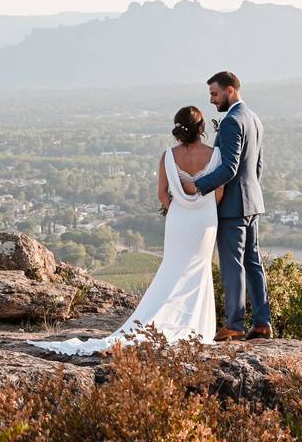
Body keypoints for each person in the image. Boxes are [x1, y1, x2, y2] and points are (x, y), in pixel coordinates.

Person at [30, 105, 223, 355]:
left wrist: (180, 208)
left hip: (178, 220)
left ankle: (160, 319)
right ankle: (194, 327)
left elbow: (162, 195)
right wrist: (202, 208)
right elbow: (219, 192)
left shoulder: (168, 156)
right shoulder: (215, 155)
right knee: (198, 268)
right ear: (202, 128)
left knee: (173, 267)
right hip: (205, 220)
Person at [181, 70, 272, 341]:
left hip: (233, 206)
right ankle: (263, 323)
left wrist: (197, 186)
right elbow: (257, 166)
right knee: (253, 262)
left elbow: (230, 168)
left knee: (233, 264)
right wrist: (250, 193)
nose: (211, 100)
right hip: (253, 201)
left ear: (230, 90)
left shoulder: (232, 121)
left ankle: (234, 324)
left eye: (214, 93)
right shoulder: (254, 119)